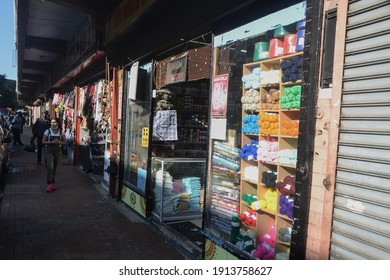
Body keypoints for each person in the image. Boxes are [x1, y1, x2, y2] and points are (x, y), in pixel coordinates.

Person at [42, 118, 66, 192]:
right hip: (49, 151)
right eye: (52, 122)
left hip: (57, 151)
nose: (53, 124)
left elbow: (64, 142)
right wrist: (51, 142)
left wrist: (58, 142)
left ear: (58, 123)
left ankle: (53, 183)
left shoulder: (61, 132)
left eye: (54, 122)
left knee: (55, 168)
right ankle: (49, 184)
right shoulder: (48, 131)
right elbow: (43, 141)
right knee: (50, 167)